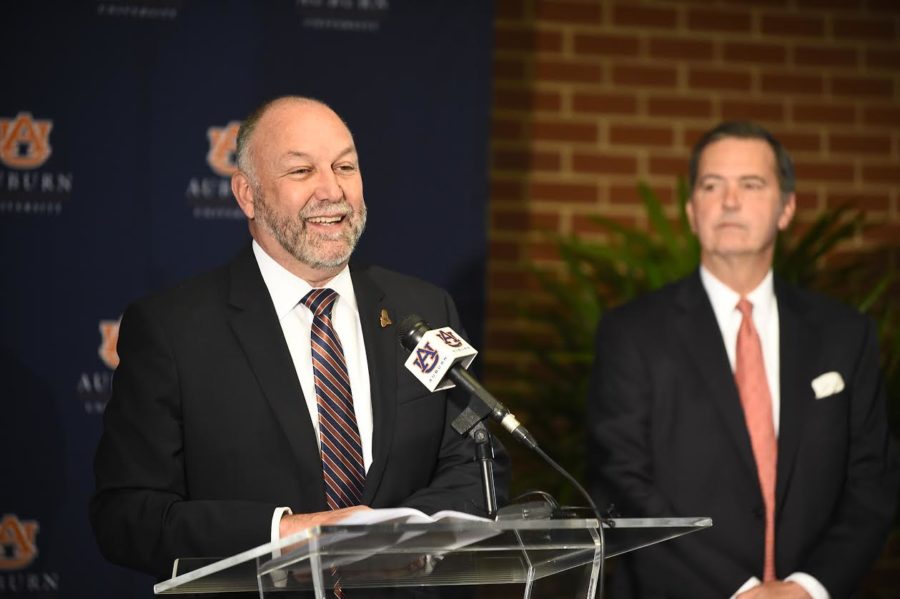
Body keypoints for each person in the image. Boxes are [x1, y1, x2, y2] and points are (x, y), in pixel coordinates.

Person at [90, 96, 509, 580]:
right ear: (248, 195)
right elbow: (126, 518)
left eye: (344, 166)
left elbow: (477, 466)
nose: (332, 190)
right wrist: (290, 533)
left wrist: (403, 537)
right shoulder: (173, 330)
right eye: (301, 171)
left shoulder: (424, 310)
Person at [586, 121, 899, 598]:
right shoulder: (631, 333)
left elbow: (872, 483)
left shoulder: (845, 335)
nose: (729, 201)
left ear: (787, 208)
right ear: (692, 211)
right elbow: (621, 483)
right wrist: (741, 590)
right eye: (712, 185)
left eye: (751, 185)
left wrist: (808, 588)